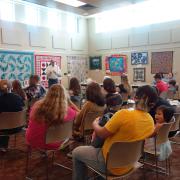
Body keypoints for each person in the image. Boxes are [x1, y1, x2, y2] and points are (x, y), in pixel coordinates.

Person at [72, 85, 158, 179]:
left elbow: (101, 133)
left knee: (76, 152)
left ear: (135, 97)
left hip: (110, 164)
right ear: (152, 104)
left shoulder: (123, 114)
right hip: (130, 163)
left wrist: (95, 124)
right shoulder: (150, 121)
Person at [26, 84, 77, 150]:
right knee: (69, 133)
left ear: (48, 93)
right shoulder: (69, 111)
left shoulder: (36, 105)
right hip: (55, 143)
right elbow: (80, 115)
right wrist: (70, 103)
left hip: (33, 139)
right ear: (65, 96)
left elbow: (30, 119)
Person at [0, 80, 24, 151]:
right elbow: (23, 108)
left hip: (3, 129)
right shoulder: (18, 98)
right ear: (11, 87)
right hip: (19, 127)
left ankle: (2, 146)